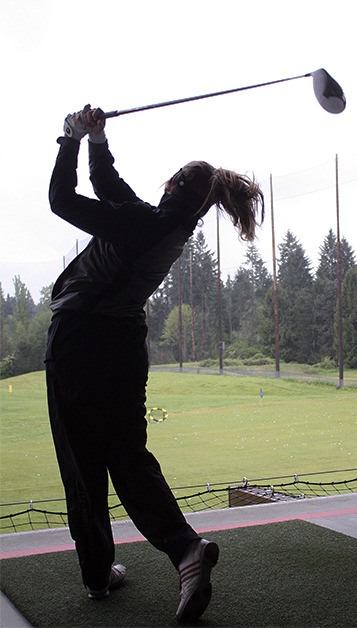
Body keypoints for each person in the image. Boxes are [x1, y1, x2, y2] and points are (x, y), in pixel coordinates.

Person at [45, 105, 264, 622]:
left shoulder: (141, 221)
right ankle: (186, 551)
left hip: (80, 340)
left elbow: (61, 200)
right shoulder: (162, 225)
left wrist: (69, 137)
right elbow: (107, 184)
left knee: (82, 462)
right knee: (126, 455)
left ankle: (98, 573)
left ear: (170, 186)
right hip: (122, 344)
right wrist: (97, 139)